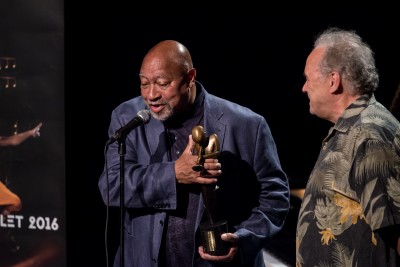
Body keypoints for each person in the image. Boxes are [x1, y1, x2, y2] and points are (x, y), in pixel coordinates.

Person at [98, 40, 290, 267]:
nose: (151, 94)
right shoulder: (127, 117)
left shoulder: (247, 125)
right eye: (144, 83)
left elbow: (275, 197)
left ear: (189, 78)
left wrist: (243, 239)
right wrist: (174, 174)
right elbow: (111, 187)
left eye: (162, 83)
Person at [296, 27, 400, 267]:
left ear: (333, 81)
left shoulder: (369, 136)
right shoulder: (353, 128)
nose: (303, 88)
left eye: (308, 79)